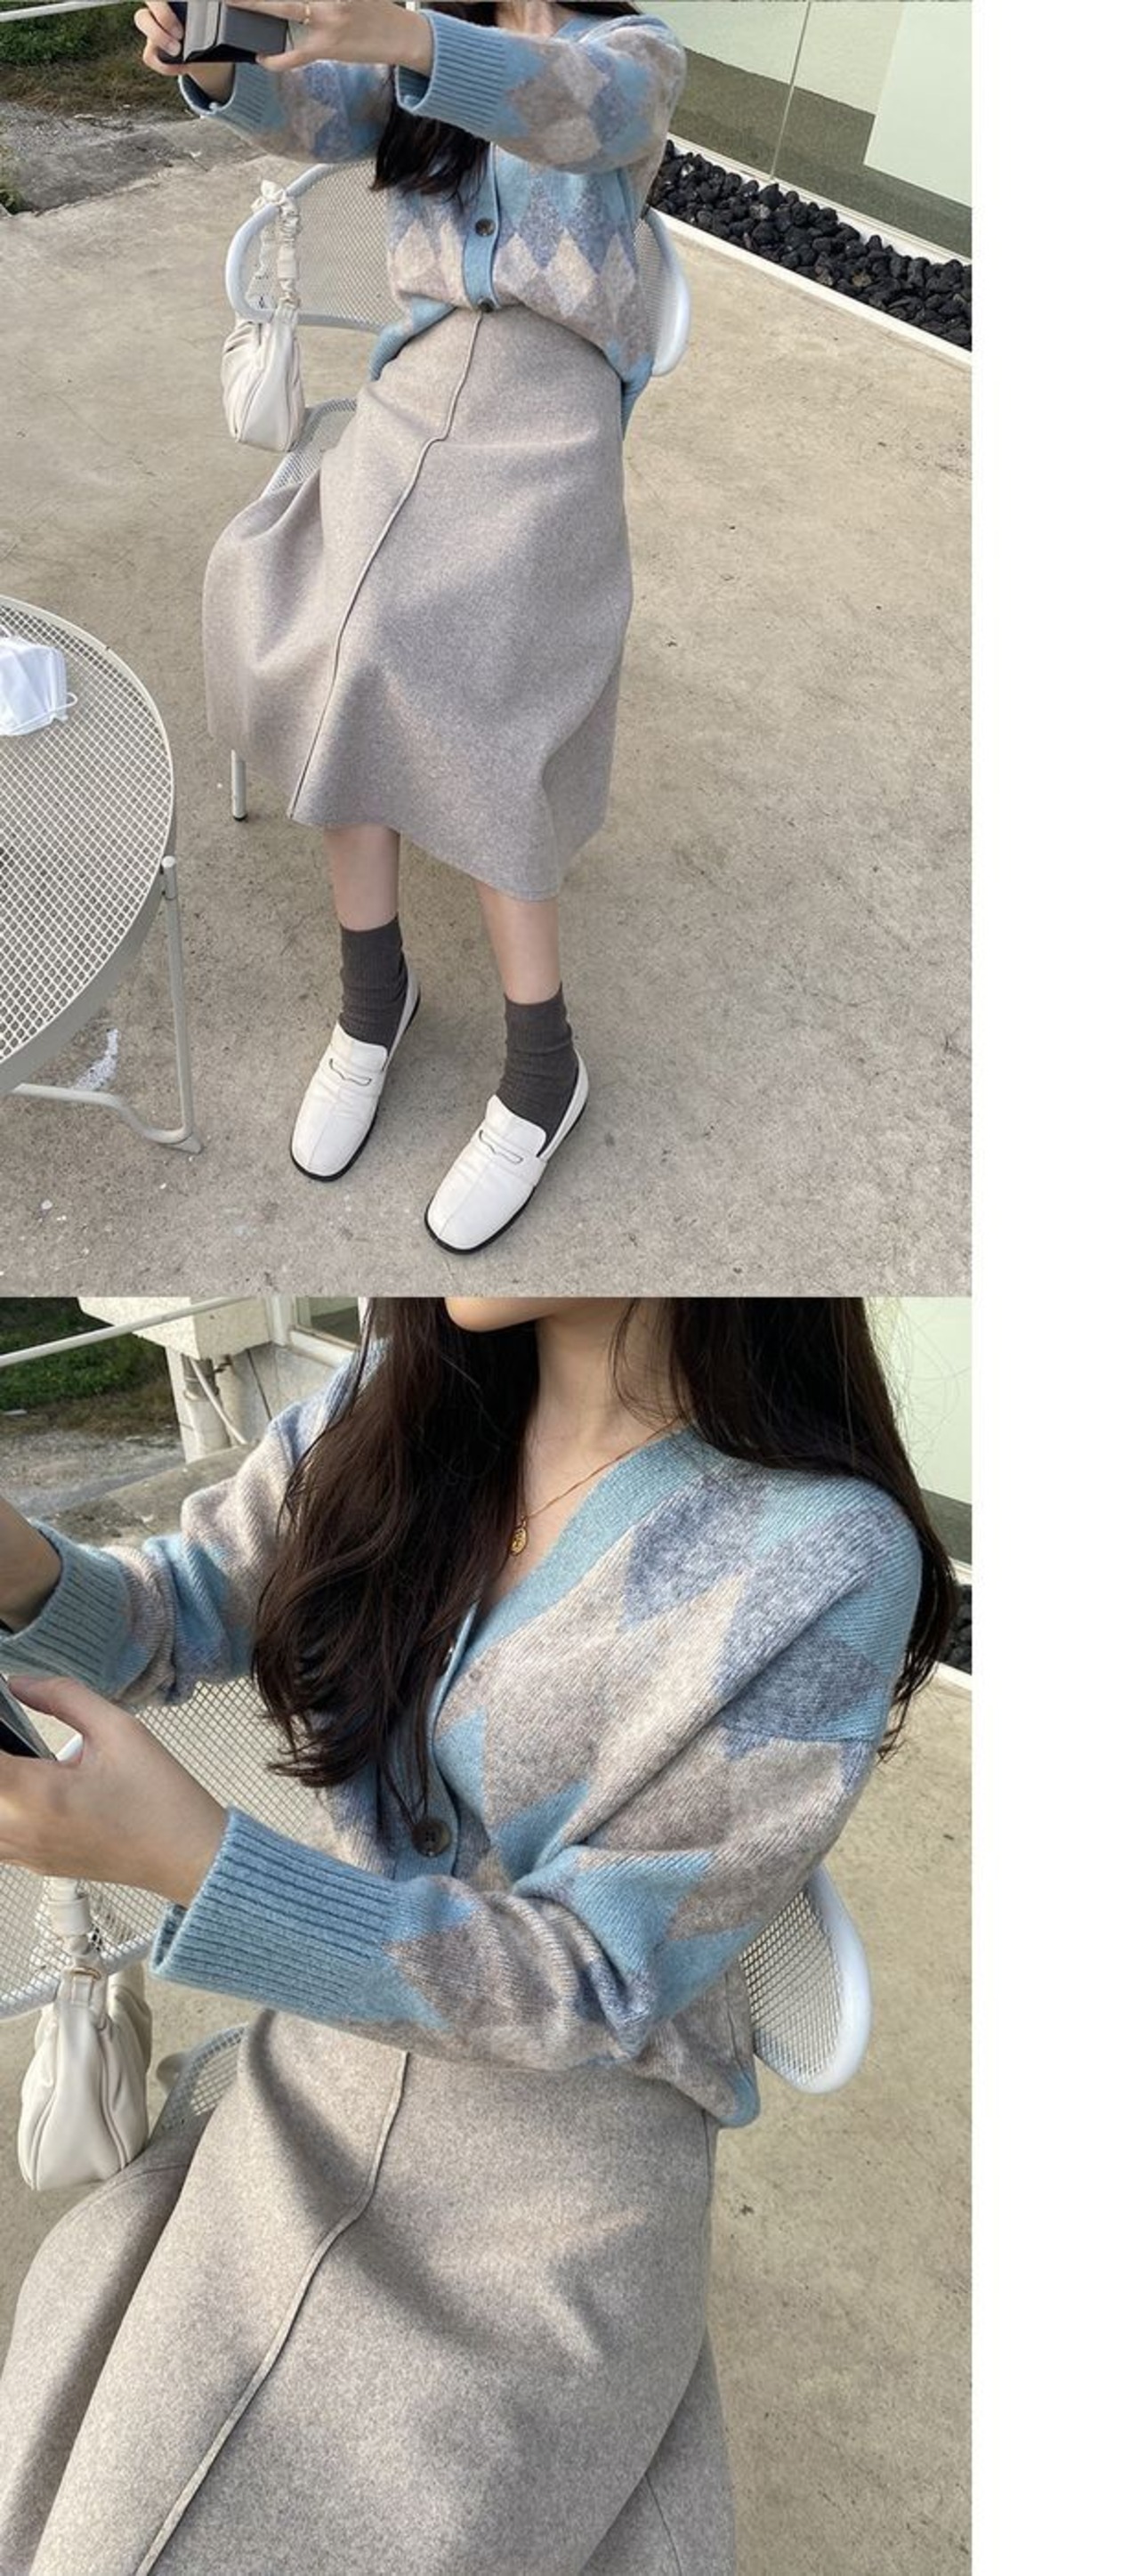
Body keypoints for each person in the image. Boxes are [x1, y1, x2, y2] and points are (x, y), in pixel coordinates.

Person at [0, 1296, 955, 2575]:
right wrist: (20, 1567)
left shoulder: (829, 1560)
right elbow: (177, 1608)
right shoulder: (389, 1398)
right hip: (309, 2092)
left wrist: (192, 1864)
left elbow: (596, 1977)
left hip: (555, 2197)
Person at [134, 2, 688, 1249]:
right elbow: (310, 108)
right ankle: (373, 992)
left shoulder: (636, 56)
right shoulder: (413, 47)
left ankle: (543, 1066)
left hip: (549, 427)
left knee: (468, 682)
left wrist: (406, 36)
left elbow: (568, 106)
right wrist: (214, 58)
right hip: (418, 392)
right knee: (322, 620)